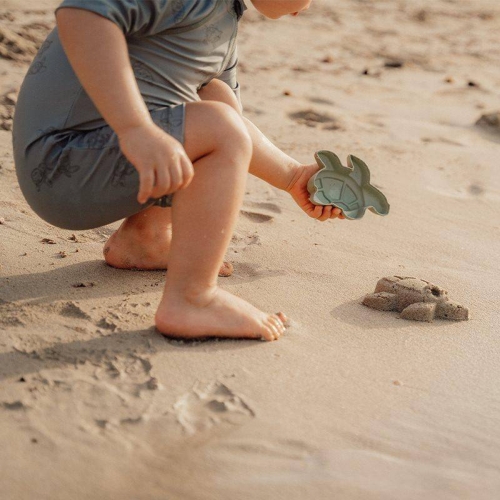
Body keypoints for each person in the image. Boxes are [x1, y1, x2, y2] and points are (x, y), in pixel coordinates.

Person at [13, 0, 344, 342]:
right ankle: (192, 299)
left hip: (96, 161)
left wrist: (292, 176)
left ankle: (145, 239)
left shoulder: (223, 19)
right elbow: (80, 13)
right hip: (60, 165)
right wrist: (135, 128)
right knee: (220, 126)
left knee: (215, 99)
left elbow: (231, 127)